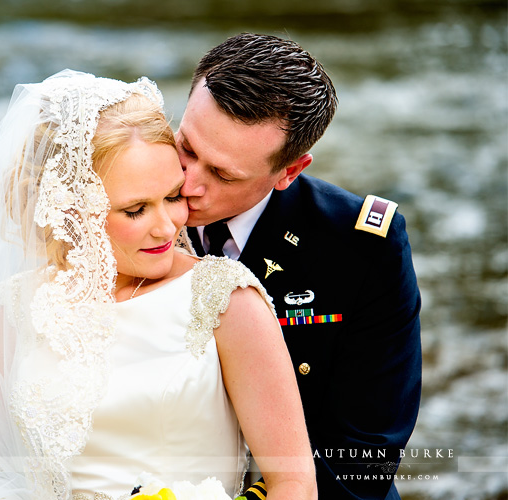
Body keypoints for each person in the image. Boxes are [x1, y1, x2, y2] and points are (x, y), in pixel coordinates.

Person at [0, 70, 317, 500]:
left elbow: (293, 483)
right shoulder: (16, 305)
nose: (167, 226)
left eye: (171, 196)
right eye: (135, 210)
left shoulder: (224, 299)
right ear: (72, 212)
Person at [178, 33, 422, 499]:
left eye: (224, 174)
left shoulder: (362, 247)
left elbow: (366, 454)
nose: (187, 185)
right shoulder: (124, 203)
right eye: (187, 147)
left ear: (289, 171)